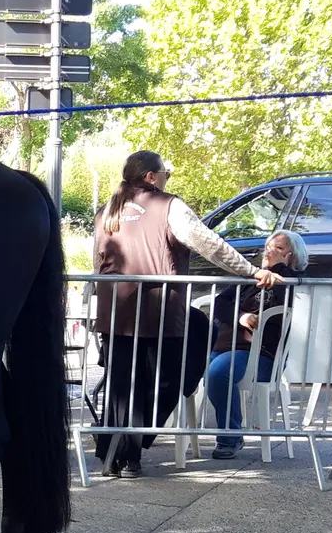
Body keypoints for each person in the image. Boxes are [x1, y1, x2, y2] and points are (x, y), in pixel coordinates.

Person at [92, 151, 280, 478]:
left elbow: (98, 260)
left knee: (120, 385)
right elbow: (211, 245)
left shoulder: (109, 209)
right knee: (157, 382)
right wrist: (250, 271)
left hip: (116, 312)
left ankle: (112, 454)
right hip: (158, 313)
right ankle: (130, 454)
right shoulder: (169, 207)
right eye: (166, 173)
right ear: (152, 176)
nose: (167, 178)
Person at [203, 229, 308, 459]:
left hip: (260, 354)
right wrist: (240, 316)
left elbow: (283, 315)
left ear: (291, 256)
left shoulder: (287, 283)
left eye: (278, 248)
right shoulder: (252, 276)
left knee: (219, 372)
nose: (269, 250)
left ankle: (230, 437)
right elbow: (220, 302)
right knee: (199, 368)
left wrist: (280, 272)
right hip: (225, 346)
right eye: (268, 245)